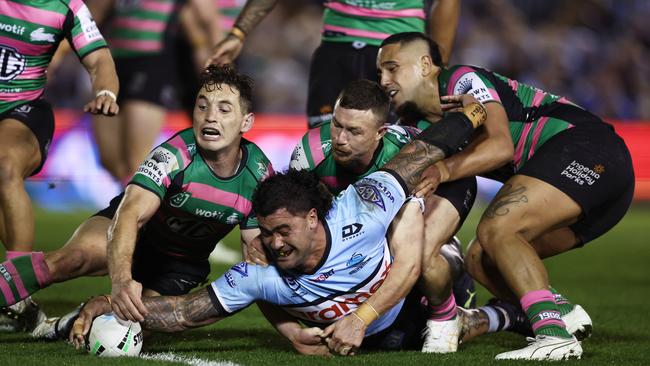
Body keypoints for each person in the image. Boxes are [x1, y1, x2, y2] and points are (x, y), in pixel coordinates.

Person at [68, 96, 487, 356]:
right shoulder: (260, 274)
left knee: (433, 270)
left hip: (403, 306)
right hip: (357, 338)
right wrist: (111, 304)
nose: (274, 243)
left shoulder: (362, 208)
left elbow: (420, 152)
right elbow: (183, 312)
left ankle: (481, 305)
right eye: (266, 232)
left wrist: (473, 112)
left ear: (312, 218)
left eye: (283, 231)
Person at [376, 32, 635, 360]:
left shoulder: (460, 80)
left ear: (425, 65)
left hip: (588, 148)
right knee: (481, 259)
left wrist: (442, 170)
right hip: (605, 199)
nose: (384, 80)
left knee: (499, 229)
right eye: (380, 72)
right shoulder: (415, 123)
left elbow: (500, 146)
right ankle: (561, 315)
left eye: (391, 68)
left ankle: (552, 335)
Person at [0, 65, 273, 337]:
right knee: (74, 258)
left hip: (181, 266)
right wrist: (121, 282)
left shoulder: (259, 177)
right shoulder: (173, 156)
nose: (210, 117)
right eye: (202, 106)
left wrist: (291, 331)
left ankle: (65, 323)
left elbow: (256, 265)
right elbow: (129, 214)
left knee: (128, 330)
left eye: (224, 109)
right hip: (132, 235)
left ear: (246, 122)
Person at [287, 79, 478, 352]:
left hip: (439, 190)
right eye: (337, 125)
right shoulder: (309, 153)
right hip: (376, 215)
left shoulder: (404, 154)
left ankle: (449, 298)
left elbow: (406, 255)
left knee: (419, 256)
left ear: (380, 133)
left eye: (354, 131)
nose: (340, 139)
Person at [0, 0, 118, 331]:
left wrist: (105, 89)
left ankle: (15, 291)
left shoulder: (67, 7)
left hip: (21, 112)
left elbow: (99, 59)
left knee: (4, 166)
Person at [206, 0, 460, 127]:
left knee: (395, 150)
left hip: (399, 54)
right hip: (335, 50)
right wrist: (239, 33)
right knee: (323, 151)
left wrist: (437, 62)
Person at [85, 0, 222, 183]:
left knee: (136, 160)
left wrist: (214, 58)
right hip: (112, 62)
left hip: (152, 63)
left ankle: (139, 206)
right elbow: (92, 13)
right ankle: (136, 202)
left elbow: (208, 17)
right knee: (110, 160)